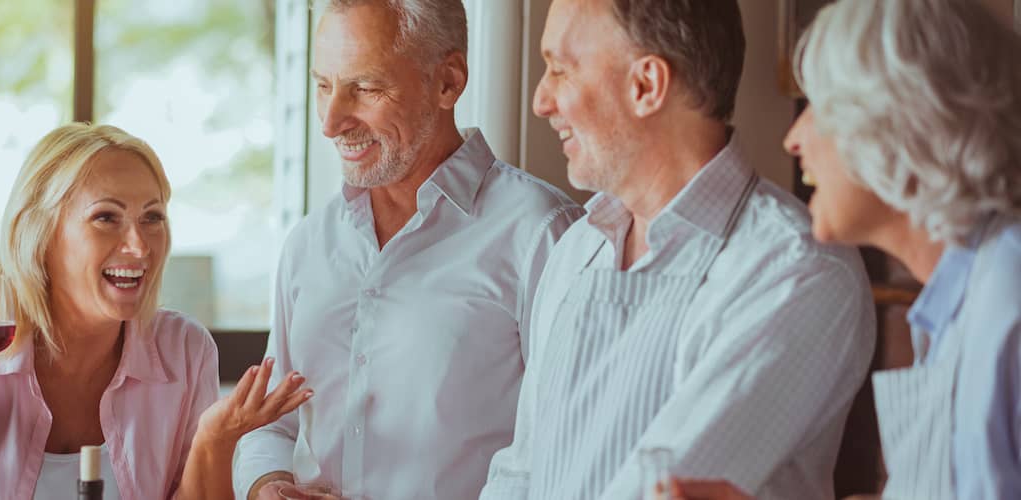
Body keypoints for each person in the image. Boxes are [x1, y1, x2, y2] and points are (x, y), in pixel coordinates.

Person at [479, 1, 876, 499]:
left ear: (646, 86)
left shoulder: (796, 270)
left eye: (560, 69)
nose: (542, 100)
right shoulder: (577, 246)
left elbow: (659, 492)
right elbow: (519, 476)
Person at [233, 1, 584, 499]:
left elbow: (565, 449)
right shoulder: (308, 245)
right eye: (323, 85)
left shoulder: (544, 234)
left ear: (448, 81)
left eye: (366, 88)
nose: (331, 122)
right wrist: (265, 484)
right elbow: (271, 424)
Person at [671, 0, 1021, 499]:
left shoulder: (1008, 298)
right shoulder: (959, 302)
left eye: (818, 106)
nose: (794, 138)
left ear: (904, 122)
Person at [0, 123, 311, 500]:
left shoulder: (184, 350)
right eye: (106, 217)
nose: (138, 246)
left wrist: (215, 439)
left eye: (152, 217)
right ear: (40, 232)